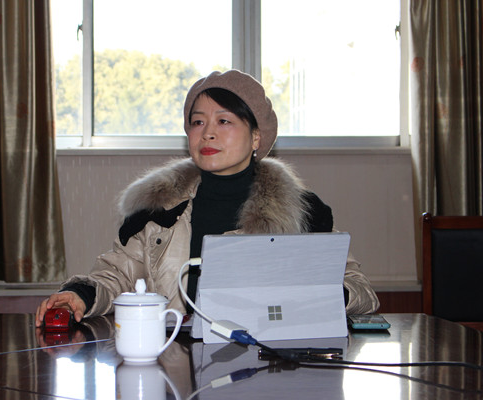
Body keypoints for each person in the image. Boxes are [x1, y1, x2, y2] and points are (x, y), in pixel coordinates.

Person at [35, 70, 379, 327]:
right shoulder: (159, 210)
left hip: (268, 365)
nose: (208, 133)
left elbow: (360, 290)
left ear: (256, 137)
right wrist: (80, 295)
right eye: (197, 122)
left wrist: (315, 293)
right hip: (172, 362)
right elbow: (116, 276)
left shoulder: (302, 213)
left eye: (224, 121)